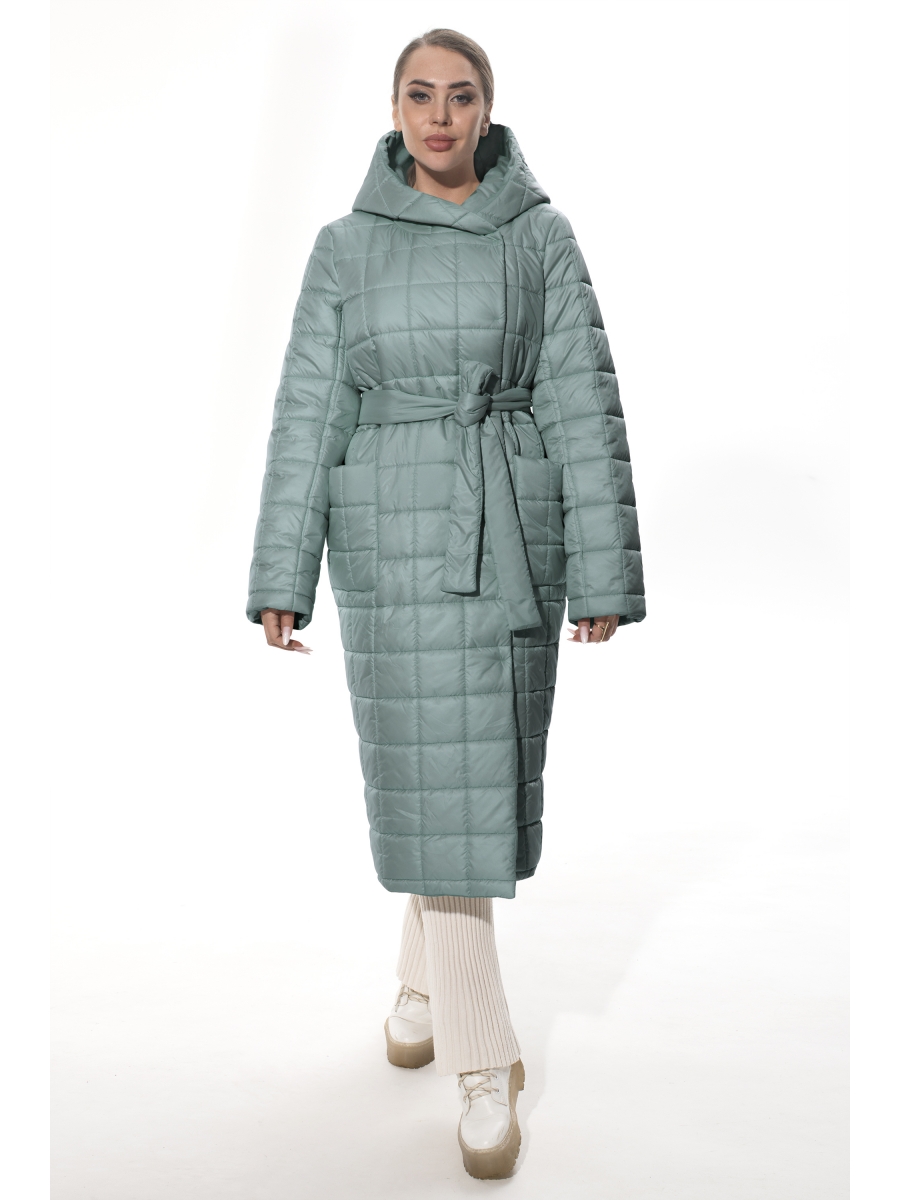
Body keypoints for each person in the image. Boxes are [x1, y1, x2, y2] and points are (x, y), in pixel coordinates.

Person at [246, 28, 645, 1179]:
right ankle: (484, 1055)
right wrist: (282, 570)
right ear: (393, 109)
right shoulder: (345, 248)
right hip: (386, 539)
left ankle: (426, 995)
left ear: (487, 110)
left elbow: (584, 403)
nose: (439, 115)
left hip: (510, 525)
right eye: (419, 95)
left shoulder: (539, 237)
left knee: (465, 778)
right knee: (436, 775)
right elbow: (309, 411)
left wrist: (605, 568)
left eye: (460, 96)